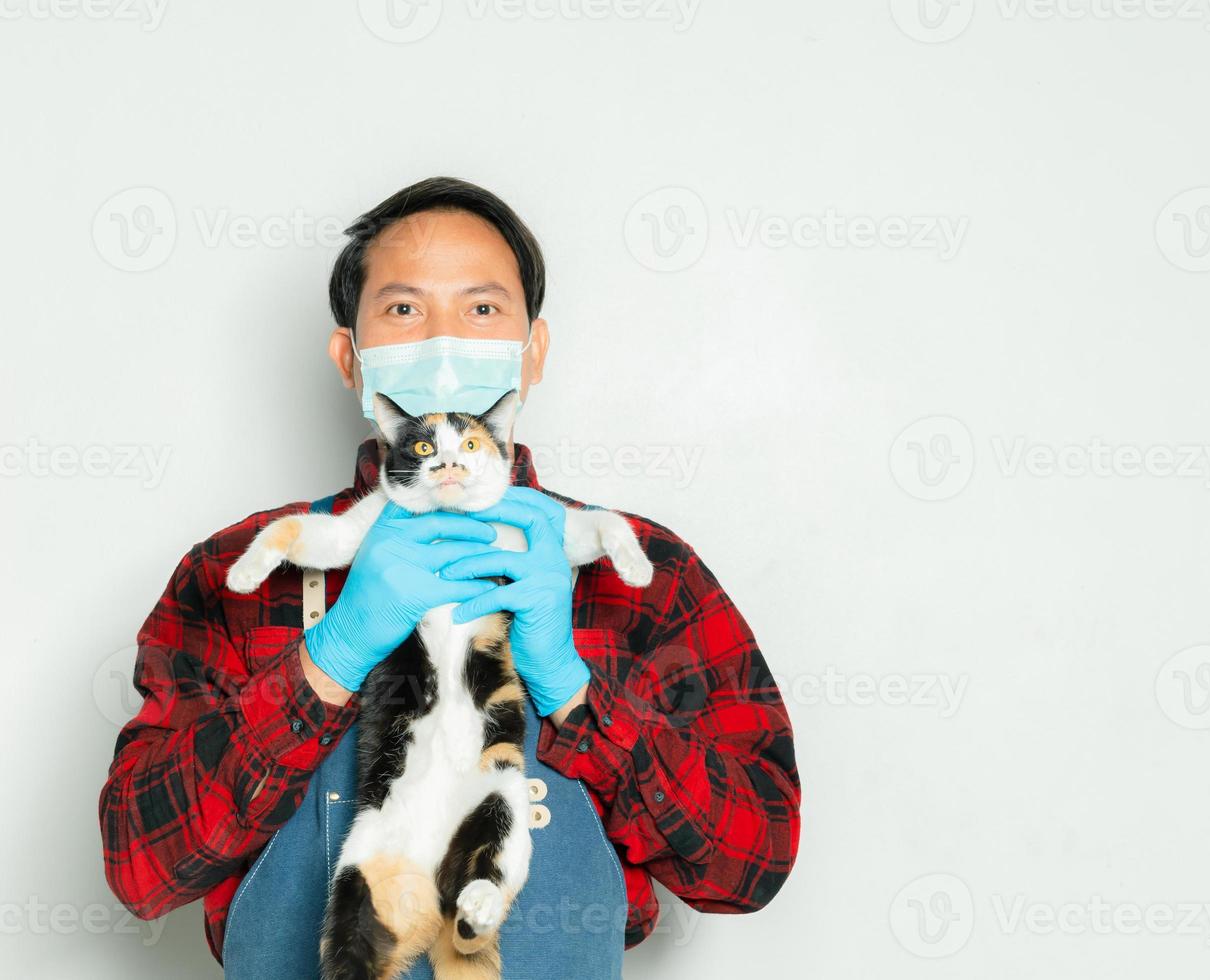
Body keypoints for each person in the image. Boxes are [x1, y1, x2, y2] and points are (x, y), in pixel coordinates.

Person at [97, 177, 800, 978]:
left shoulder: (642, 574)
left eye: (481, 309)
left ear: (532, 352)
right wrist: (328, 659)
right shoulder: (239, 573)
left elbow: (752, 861)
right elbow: (139, 869)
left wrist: (572, 690)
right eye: (402, 309)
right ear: (348, 357)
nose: (442, 338)